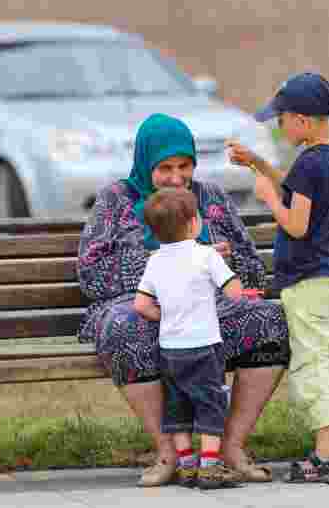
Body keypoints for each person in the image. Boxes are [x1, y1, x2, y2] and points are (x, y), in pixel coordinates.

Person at [78, 113, 288, 487]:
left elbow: (254, 273)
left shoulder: (212, 198)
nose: (177, 178)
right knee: (126, 328)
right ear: (146, 163)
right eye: (165, 168)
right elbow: (92, 274)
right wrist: (173, 262)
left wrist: (226, 261)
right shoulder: (116, 200)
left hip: (210, 308)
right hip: (140, 307)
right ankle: (168, 452)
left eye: (185, 166)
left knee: (271, 320)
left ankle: (230, 447)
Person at [228, 72, 329, 484]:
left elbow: (297, 223)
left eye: (281, 119)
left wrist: (268, 200)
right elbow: (299, 191)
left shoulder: (307, 163)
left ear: (301, 120)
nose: (279, 126)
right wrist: (259, 165)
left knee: (312, 366)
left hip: (306, 282)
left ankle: (323, 456)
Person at [134, 188, 245, 490]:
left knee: (178, 405)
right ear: (194, 224)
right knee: (210, 403)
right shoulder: (206, 255)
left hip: (170, 349)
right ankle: (210, 467)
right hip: (204, 346)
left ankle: (186, 465)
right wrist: (237, 287)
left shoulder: (155, 261)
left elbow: (141, 305)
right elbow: (233, 292)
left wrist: (167, 316)